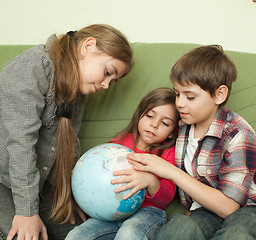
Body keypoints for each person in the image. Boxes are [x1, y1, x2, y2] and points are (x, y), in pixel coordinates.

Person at [0, 24, 133, 240]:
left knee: (84, 231)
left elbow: (67, 143)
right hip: (5, 179)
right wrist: (27, 212)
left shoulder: (77, 85)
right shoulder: (30, 68)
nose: (107, 85)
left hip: (37, 183)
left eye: (113, 80)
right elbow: (21, 146)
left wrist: (70, 193)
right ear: (88, 47)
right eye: (108, 72)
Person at [128, 45, 256, 240]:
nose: (179, 103)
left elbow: (230, 207)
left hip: (246, 210)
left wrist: (171, 172)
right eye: (177, 94)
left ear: (219, 95)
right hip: (203, 211)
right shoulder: (181, 126)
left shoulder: (237, 133)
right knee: (177, 228)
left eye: (190, 96)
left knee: (236, 235)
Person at [65, 87, 180, 240]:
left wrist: (151, 181)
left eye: (165, 123)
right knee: (77, 235)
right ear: (140, 115)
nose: (154, 124)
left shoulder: (168, 154)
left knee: (128, 234)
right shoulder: (121, 142)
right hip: (111, 212)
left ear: (172, 131)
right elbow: (100, 165)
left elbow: (167, 197)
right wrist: (82, 173)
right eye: (150, 116)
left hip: (147, 213)